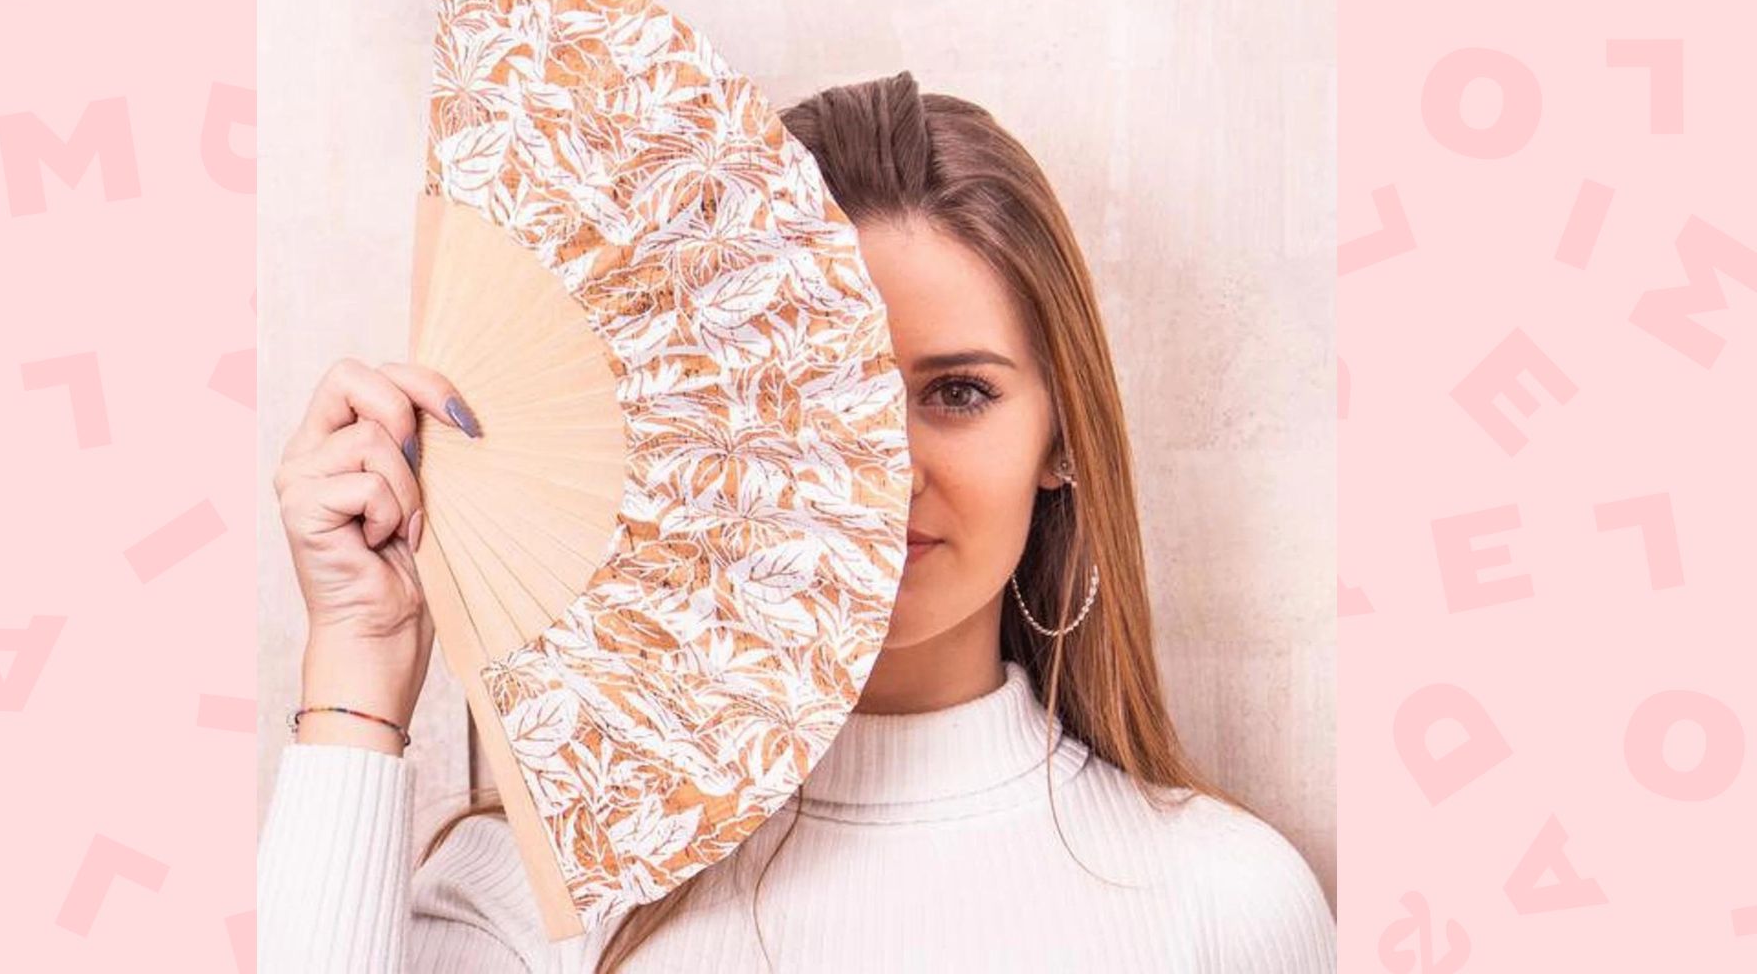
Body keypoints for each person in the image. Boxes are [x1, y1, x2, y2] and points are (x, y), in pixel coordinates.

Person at [257, 71, 1336, 972]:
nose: (886, 467)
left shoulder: (1226, 907)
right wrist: (360, 651)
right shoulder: (536, 897)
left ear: (1062, 436)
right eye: (822, 386)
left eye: (958, 393)